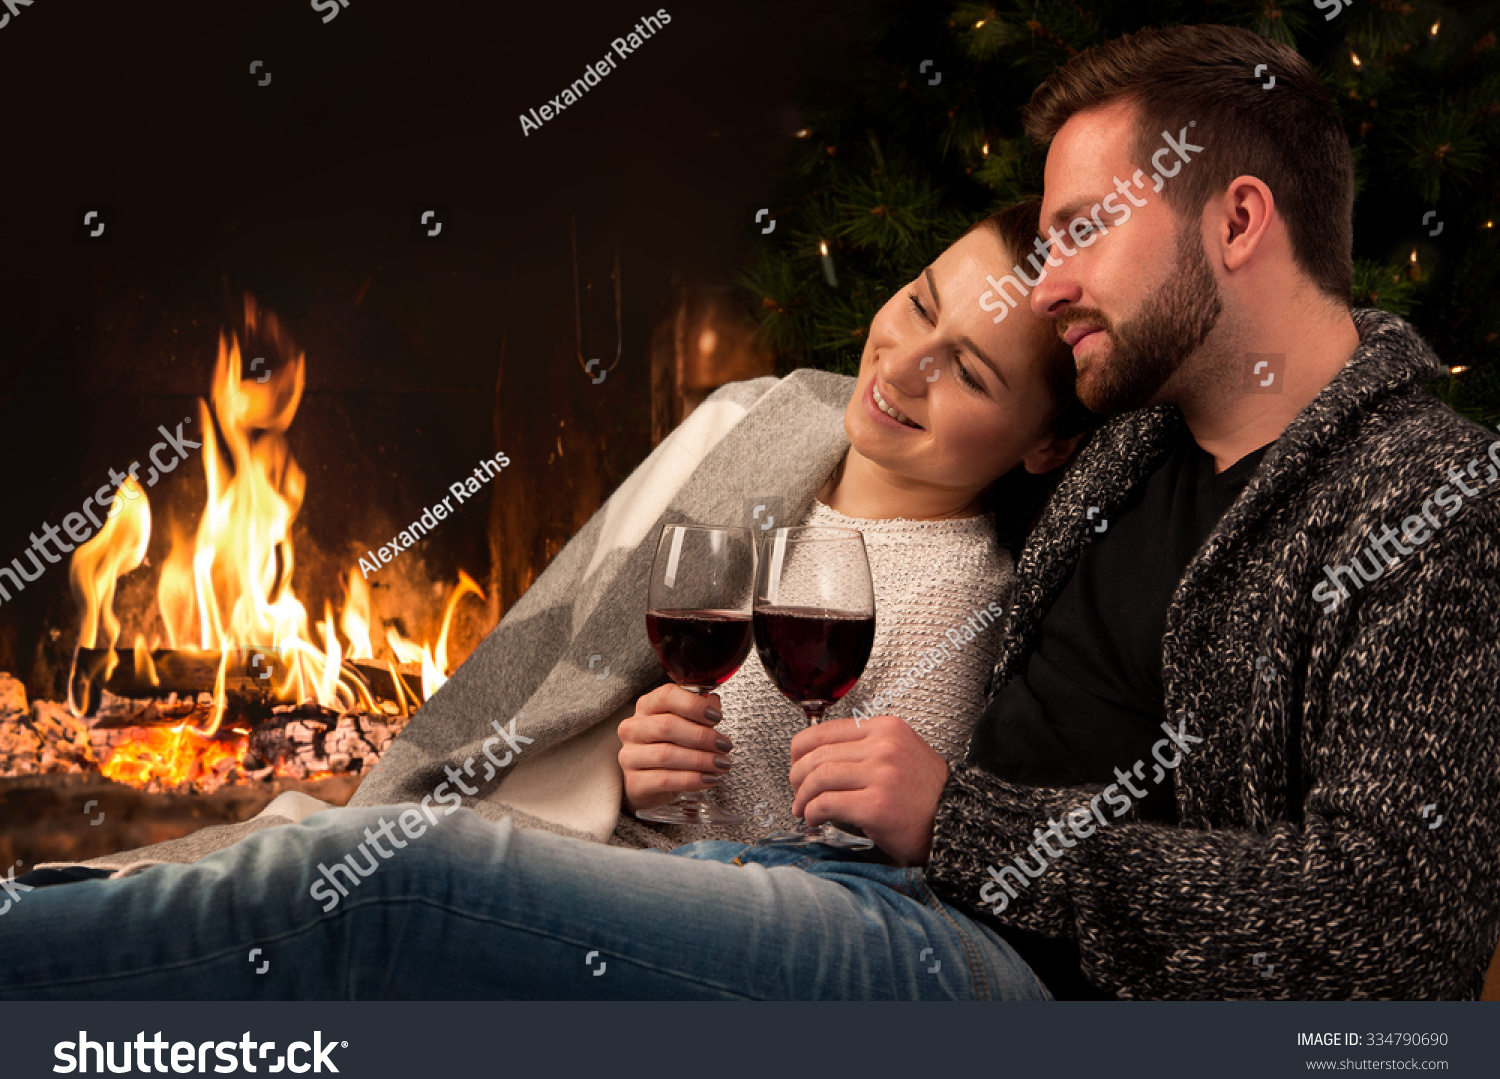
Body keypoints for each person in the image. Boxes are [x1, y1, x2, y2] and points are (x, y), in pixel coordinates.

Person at [4, 23, 1497, 1001]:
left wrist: (963, 824)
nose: (1048, 289)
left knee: (406, 887)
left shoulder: (1416, 498)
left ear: (1240, 220)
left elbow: (1402, 923)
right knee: (312, 854)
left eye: (1084, 236)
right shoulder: (1123, 440)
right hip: (852, 887)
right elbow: (903, 497)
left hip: (1002, 980)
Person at [617, 201, 1086, 848]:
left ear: (1049, 447)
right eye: (921, 306)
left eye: (969, 374)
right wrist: (643, 775)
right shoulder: (757, 428)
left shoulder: (951, 598)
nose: (898, 368)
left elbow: (858, 877)